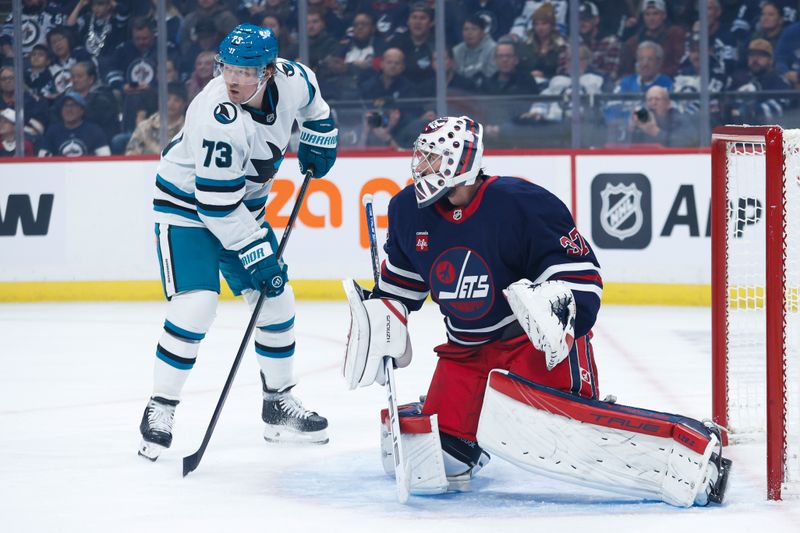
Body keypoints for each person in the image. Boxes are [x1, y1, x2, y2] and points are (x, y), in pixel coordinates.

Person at [342, 115, 730, 507]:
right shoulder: (408, 210)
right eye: (421, 158)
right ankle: (470, 429)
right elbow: (400, 289)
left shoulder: (521, 203)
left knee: (566, 437)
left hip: (531, 347)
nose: (421, 168)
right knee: (434, 463)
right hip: (466, 355)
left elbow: (581, 280)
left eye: (434, 159)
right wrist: (381, 320)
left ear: (464, 162)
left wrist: (557, 309)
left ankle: (687, 447)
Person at [138, 24, 338, 460]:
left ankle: (276, 403)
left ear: (267, 72)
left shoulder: (292, 78)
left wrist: (322, 132)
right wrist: (257, 253)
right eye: (228, 67)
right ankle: (161, 406)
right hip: (188, 208)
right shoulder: (216, 116)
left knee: (277, 301)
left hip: (240, 209)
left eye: (246, 71)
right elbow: (215, 208)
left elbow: (315, 106)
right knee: (196, 306)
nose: (233, 78)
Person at [37, 91, 110, 157]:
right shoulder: (52, 131)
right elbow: (42, 158)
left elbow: (105, 158)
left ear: (82, 110)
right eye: (65, 105)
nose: (68, 109)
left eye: (73, 105)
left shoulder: (95, 131)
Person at [125, 82, 187, 155]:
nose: (171, 103)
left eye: (176, 100)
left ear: (184, 104)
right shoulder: (145, 126)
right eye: (168, 99)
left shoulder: (187, 130)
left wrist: (148, 142)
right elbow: (129, 153)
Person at [629, 86, 699, 147]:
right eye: (650, 100)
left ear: (668, 103)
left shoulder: (678, 118)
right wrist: (631, 130)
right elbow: (630, 146)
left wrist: (656, 132)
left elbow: (689, 142)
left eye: (657, 99)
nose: (653, 103)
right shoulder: (643, 120)